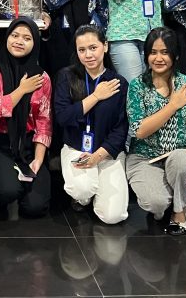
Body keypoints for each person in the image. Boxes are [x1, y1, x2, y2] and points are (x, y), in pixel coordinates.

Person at [125, 27, 186, 235]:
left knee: (182, 160)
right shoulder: (137, 86)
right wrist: (172, 105)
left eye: (165, 52)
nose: (158, 58)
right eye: (153, 52)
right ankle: (172, 198)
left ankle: (179, 212)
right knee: (156, 203)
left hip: (180, 155)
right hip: (144, 157)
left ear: (176, 55)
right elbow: (139, 130)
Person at [52, 26, 129, 224]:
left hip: (107, 153)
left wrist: (99, 156)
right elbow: (63, 117)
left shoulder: (118, 83)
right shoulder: (66, 76)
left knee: (113, 216)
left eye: (93, 48)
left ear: (105, 46)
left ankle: (97, 189)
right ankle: (85, 197)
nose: (88, 55)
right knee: (82, 189)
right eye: (82, 50)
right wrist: (95, 96)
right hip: (76, 148)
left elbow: (121, 128)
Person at [0, 18, 53, 220]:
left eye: (27, 38)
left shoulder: (42, 78)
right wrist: (21, 90)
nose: (19, 41)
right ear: (7, 38)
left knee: (35, 207)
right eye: (15, 35)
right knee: (7, 191)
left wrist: (38, 159)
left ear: (35, 43)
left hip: (28, 143)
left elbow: (44, 122)